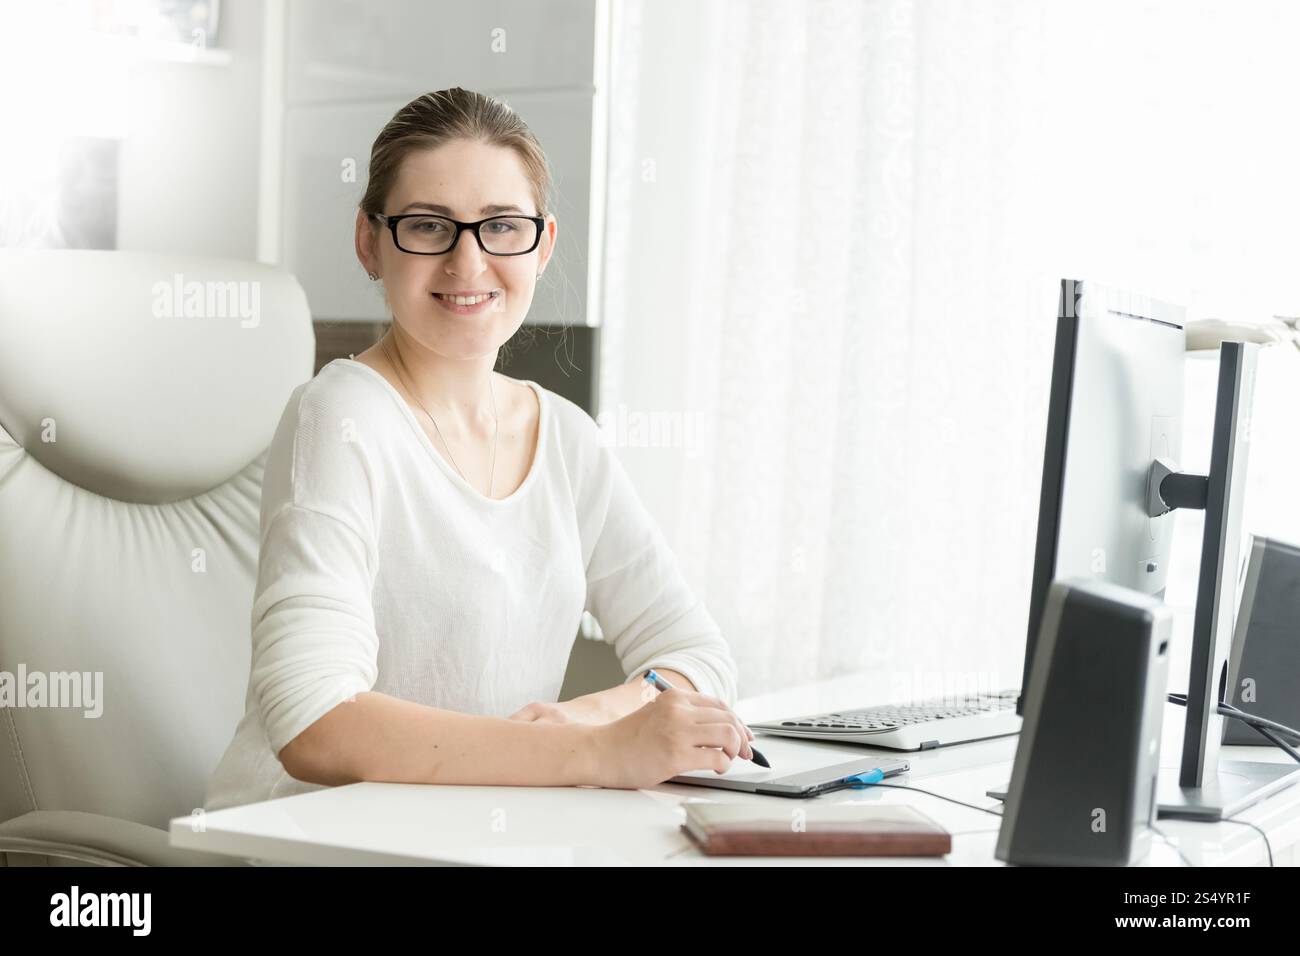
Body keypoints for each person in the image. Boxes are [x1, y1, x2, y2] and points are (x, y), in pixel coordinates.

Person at [204, 88, 751, 811]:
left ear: (542, 244)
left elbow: (698, 654)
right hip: (306, 840)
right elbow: (315, 721)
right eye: (429, 226)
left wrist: (584, 717)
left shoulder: (567, 439)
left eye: (500, 227)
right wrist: (593, 750)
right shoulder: (339, 417)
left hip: (474, 833)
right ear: (370, 241)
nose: (468, 262)